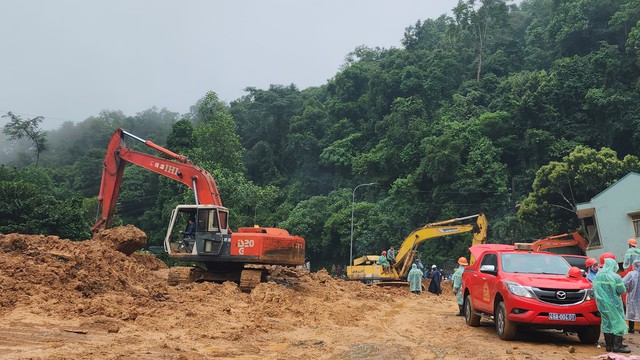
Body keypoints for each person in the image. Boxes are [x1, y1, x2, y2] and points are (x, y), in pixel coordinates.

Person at [594, 254, 630, 353]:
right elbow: (621, 290)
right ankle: (617, 346)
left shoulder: (598, 275)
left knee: (606, 323)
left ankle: (609, 346)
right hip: (615, 304)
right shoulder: (616, 277)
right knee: (618, 322)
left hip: (602, 304)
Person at [623, 259, 640, 334]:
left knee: (631, 311)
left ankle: (631, 329)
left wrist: (628, 289)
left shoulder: (631, 274)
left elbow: (624, 282)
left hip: (632, 296)